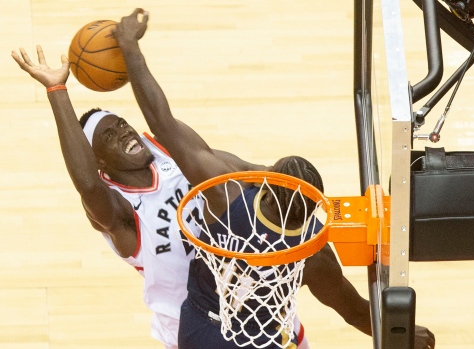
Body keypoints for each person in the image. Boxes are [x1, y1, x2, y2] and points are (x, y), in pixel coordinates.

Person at [112, 8, 436, 349]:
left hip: (200, 328)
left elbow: (162, 123)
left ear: (265, 186)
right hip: (261, 339)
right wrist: (401, 331)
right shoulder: (314, 254)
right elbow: (354, 312)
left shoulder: (228, 193)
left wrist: (129, 45)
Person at [11, 48, 310, 349]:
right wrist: (57, 89)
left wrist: (296, 186)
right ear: (97, 161)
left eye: (122, 124)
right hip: (197, 326)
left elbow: (244, 170)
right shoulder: (120, 211)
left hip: (252, 298)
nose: (124, 133)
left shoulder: (172, 156)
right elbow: (87, 186)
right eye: (109, 137)